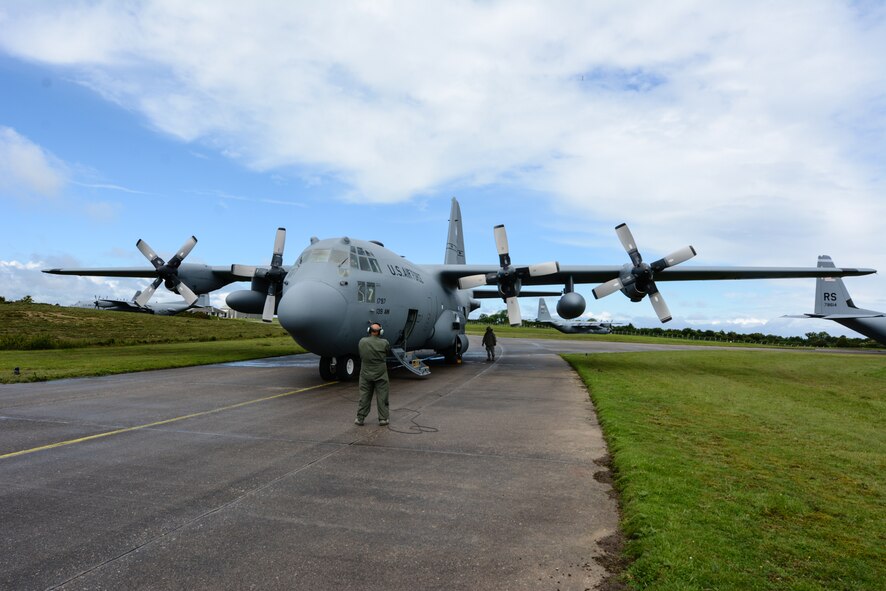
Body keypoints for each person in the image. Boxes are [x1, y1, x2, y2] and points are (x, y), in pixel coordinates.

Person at [355, 322, 392, 426]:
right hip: (381, 373)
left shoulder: (362, 341)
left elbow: (361, 353)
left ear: (369, 331)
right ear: (380, 332)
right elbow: (387, 352)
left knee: (364, 396)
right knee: (382, 396)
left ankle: (360, 418)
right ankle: (383, 419)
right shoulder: (384, 342)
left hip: (365, 373)